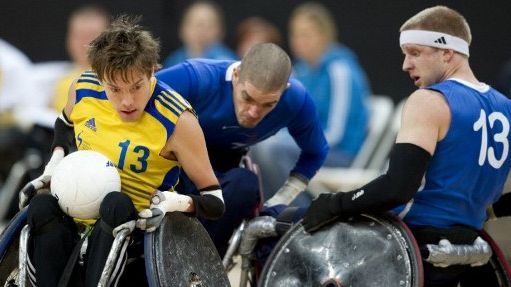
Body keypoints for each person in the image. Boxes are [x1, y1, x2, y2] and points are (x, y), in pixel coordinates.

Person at [301, 5, 511, 286]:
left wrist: (336, 203)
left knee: (294, 220)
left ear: (447, 52)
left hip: (413, 245)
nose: (405, 64)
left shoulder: (429, 100)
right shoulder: (506, 107)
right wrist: (489, 209)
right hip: (469, 250)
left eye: (415, 53)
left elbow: (397, 189)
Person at [19, 15, 225, 286]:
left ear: (152, 71)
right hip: (75, 210)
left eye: (136, 87)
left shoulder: (178, 121)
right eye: (114, 89)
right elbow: (64, 124)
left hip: (134, 232)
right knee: (42, 204)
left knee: (115, 204)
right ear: (100, 77)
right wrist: (53, 164)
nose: (127, 101)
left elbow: (215, 200)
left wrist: (173, 203)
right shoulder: (82, 88)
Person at [156, 43, 329, 256]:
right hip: (169, 164)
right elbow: (133, 99)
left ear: (284, 91)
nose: (254, 112)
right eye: (247, 97)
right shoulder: (196, 77)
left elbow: (316, 152)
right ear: (236, 75)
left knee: (246, 184)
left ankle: (200, 260)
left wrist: (282, 198)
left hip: (221, 173)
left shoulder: (296, 101)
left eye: (268, 104)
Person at [250, 2, 371, 197]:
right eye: (295, 34)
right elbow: (287, 120)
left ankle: (295, 216)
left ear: (324, 36)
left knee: (271, 149)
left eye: (306, 34)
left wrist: (292, 141)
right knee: (255, 145)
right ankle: (270, 212)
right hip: (305, 146)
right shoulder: (300, 71)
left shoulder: (340, 70)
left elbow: (336, 135)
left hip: (340, 154)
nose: (299, 41)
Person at [162, 0, 237, 68]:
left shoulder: (228, 62)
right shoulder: (174, 61)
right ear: (182, 29)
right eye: (197, 25)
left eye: (209, 25)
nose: (201, 31)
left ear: (221, 31)